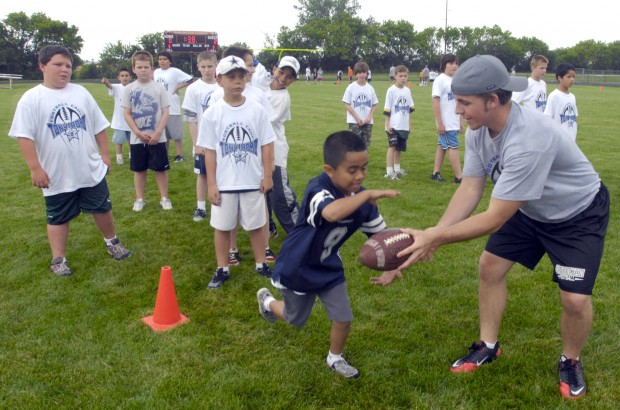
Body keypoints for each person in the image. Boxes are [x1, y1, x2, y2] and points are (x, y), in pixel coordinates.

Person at [398, 55, 609, 400]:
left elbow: (495, 217)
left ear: (492, 100)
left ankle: (570, 359)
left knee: (573, 299)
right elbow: (470, 187)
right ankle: (488, 345)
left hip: (576, 213)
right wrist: (435, 233)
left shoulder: (529, 136)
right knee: (490, 266)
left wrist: (434, 237)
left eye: (464, 103)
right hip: (528, 208)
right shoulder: (478, 132)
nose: (459, 111)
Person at [256, 131, 401, 378]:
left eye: (364, 168)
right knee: (295, 319)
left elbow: (382, 237)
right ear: (330, 170)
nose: (360, 176)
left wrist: (392, 265)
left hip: (328, 265)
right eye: (352, 169)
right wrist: (365, 194)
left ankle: (335, 357)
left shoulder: (364, 202)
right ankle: (268, 302)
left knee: (343, 318)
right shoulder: (317, 189)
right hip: (298, 264)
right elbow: (332, 213)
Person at [9, 45, 131, 276]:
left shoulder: (80, 92)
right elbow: (24, 136)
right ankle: (59, 259)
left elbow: (99, 127)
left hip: (89, 168)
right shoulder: (32, 99)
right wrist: (35, 168)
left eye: (68, 66)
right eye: (58, 65)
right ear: (43, 66)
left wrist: (105, 156)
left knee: (102, 208)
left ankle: (112, 242)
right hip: (56, 173)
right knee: (58, 217)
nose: (65, 70)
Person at [197, 55, 275, 289]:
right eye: (231, 77)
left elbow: (267, 144)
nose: (238, 81)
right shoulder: (213, 113)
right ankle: (222, 267)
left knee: (257, 224)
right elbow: (209, 151)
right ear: (219, 80)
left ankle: (261, 264)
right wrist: (211, 184)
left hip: (252, 179)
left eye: (241, 76)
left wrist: (268, 174)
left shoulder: (257, 110)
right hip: (225, 182)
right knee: (222, 226)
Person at [122, 50, 172, 212]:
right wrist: (137, 132)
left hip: (158, 137)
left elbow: (165, 112)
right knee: (139, 170)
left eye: (146, 67)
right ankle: (140, 199)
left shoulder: (159, 88)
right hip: (138, 139)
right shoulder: (129, 89)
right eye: (139, 67)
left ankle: (164, 198)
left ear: (152, 69)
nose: (143, 70)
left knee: (160, 169)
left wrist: (158, 132)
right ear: (133, 69)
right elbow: (127, 113)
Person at [182, 51, 219, 222]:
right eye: (203, 66)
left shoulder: (222, 85)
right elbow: (190, 119)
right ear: (198, 67)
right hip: (203, 140)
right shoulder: (193, 88)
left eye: (210, 66)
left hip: (221, 139)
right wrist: (198, 143)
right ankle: (200, 207)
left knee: (222, 173)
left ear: (216, 66)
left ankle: (220, 205)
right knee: (203, 174)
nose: (206, 70)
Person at [268, 56, 301, 234]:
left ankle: (299, 231)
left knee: (280, 194)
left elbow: (264, 121)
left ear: (293, 81)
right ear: (274, 69)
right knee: (263, 192)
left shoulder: (283, 98)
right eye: (281, 72)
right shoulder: (262, 86)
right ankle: (268, 227)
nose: (283, 78)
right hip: (258, 149)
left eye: (289, 77)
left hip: (274, 150)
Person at [154, 51, 193, 162]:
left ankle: (179, 155)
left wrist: (177, 87)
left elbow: (190, 79)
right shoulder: (156, 72)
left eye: (165, 59)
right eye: (160, 59)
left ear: (170, 61)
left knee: (176, 134)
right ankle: (164, 154)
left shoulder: (174, 71)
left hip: (172, 108)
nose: (162, 61)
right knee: (163, 134)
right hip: (159, 108)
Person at [431, 54, 463, 183]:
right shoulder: (440, 80)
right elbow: (435, 101)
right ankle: (459, 176)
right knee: (453, 147)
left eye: (456, 63)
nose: (455, 65)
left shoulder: (456, 80)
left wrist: (461, 120)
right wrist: (440, 123)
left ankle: (435, 173)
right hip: (446, 122)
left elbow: (459, 101)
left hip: (453, 121)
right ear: (445, 65)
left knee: (442, 146)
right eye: (452, 63)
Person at [384, 65, 415, 180]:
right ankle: (389, 172)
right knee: (392, 147)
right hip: (393, 125)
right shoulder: (391, 90)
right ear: (395, 76)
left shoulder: (407, 91)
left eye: (405, 76)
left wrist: (409, 125)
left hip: (403, 125)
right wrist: (387, 124)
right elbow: (387, 109)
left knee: (399, 149)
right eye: (400, 76)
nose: (403, 78)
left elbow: (408, 110)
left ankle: (397, 169)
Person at [342, 61, 378, 147]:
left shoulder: (370, 88)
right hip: (354, 121)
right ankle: (353, 161)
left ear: (367, 74)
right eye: (359, 72)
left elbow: (374, 104)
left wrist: (369, 117)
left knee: (365, 146)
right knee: (354, 145)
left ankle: (363, 160)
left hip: (367, 122)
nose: (362, 75)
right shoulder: (351, 87)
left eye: (364, 72)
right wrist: (356, 118)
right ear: (356, 74)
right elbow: (346, 104)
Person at [101, 68, 132, 165]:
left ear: (130, 77)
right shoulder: (116, 87)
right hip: (119, 121)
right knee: (119, 140)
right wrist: (106, 82)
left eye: (126, 75)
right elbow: (109, 86)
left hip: (131, 120)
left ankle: (132, 156)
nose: (124, 77)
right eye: (122, 76)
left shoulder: (133, 87)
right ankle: (119, 158)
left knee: (132, 140)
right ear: (118, 77)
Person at [544, 63, 578, 141]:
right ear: (560, 77)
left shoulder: (572, 97)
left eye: (573, 77)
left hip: (571, 141)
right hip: (559, 141)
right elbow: (547, 118)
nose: (572, 79)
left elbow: (574, 120)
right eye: (569, 77)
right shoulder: (554, 96)